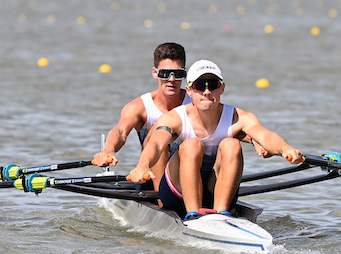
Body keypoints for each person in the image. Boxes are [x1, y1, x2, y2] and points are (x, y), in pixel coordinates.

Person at [127, 59, 304, 219]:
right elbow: (156, 143)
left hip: (215, 190)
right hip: (177, 193)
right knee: (192, 144)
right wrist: (142, 166)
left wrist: (285, 148)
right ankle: (192, 214)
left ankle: (222, 214)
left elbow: (265, 135)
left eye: (212, 84)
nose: (206, 91)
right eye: (199, 85)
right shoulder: (174, 118)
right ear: (189, 90)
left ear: (222, 88)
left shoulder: (238, 117)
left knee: (232, 144)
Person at [92, 42, 193, 190]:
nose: (171, 80)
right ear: (155, 73)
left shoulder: (196, 103)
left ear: (184, 75)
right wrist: (109, 150)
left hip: (189, 173)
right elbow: (120, 131)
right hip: (150, 178)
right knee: (160, 130)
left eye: (177, 74)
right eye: (165, 73)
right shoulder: (140, 107)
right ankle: (162, 201)